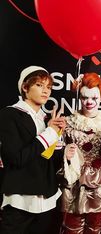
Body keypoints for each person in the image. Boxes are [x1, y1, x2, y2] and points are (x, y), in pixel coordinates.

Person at [0, 65, 66, 234]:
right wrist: (49, 133)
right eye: (39, 85)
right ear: (25, 87)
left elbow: (48, 161)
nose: (46, 91)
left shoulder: (47, 119)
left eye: (49, 87)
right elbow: (16, 159)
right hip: (20, 199)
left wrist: (63, 150)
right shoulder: (9, 114)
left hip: (48, 199)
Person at [60, 72, 101, 234]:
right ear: (79, 98)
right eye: (84, 97)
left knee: (95, 230)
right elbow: (53, 155)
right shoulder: (67, 124)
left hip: (100, 186)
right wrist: (65, 155)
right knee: (71, 230)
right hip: (73, 186)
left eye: (94, 98)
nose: (89, 102)